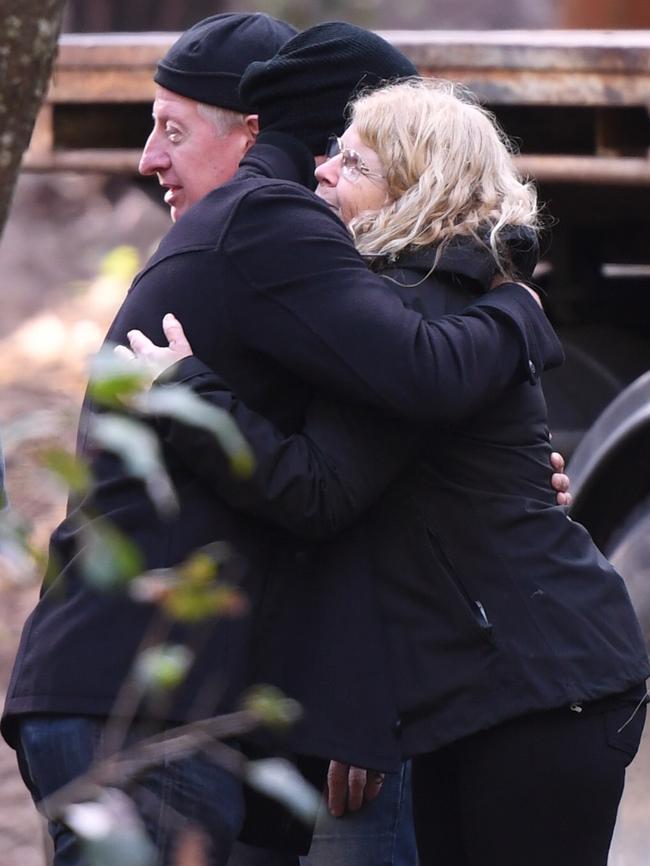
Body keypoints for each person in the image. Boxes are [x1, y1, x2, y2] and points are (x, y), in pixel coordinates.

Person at [3, 21, 566, 866]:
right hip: (141, 706)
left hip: (142, 703)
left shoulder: (253, 233)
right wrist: (520, 307)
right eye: (342, 148)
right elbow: (420, 373)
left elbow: (331, 486)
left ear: (258, 129)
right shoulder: (272, 219)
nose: (149, 160)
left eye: (175, 128)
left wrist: (487, 485)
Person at [127, 77, 649, 866]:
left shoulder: (416, 307)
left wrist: (190, 391)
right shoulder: (419, 300)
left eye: (355, 163)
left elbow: (315, 491)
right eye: (333, 152)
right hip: (493, 690)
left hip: (539, 685)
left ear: (419, 190)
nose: (325, 171)